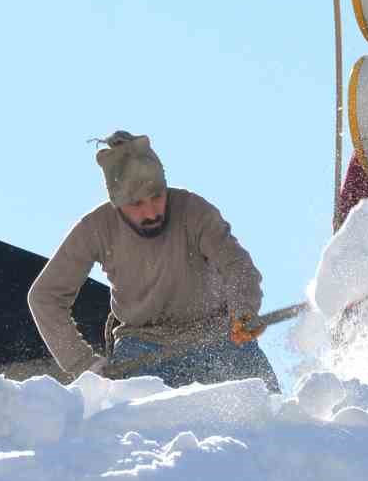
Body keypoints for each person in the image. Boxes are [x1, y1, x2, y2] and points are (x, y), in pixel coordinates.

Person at [29, 130, 279, 390]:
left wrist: (243, 310)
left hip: (217, 335)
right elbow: (45, 297)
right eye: (136, 204)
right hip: (142, 349)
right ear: (116, 203)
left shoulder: (194, 211)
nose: (150, 212)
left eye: (157, 197)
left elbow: (237, 266)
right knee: (131, 423)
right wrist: (84, 365)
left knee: (272, 414)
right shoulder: (96, 228)